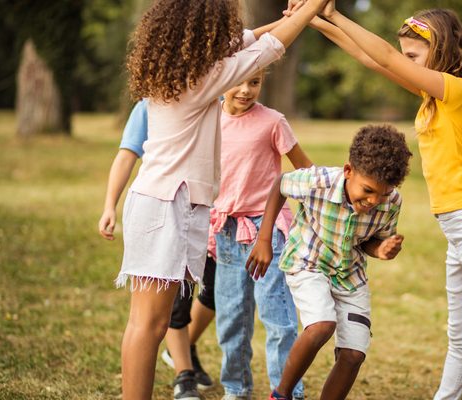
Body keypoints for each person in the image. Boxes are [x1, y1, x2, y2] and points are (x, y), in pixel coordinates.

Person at [307, 3, 462, 399]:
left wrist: (336, 15)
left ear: (439, 49)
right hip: (458, 226)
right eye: (405, 55)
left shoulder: (454, 90)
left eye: (413, 56)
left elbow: (385, 57)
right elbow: (370, 59)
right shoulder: (433, 94)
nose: (405, 61)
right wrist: (313, 19)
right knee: (459, 336)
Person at [116, 0, 329, 398]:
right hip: (167, 205)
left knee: (144, 323)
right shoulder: (204, 78)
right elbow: (270, 48)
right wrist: (313, 6)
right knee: (148, 325)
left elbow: (250, 39)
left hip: (156, 200)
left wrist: (290, 15)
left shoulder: (179, 69)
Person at [246, 125, 413, 400]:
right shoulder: (318, 181)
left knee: (354, 354)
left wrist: (381, 249)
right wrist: (264, 239)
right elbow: (281, 184)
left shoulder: (392, 202)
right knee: (322, 325)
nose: (373, 201)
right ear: (348, 171)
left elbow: (370, 241)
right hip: (308, 262)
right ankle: (281, 394)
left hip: (350, 276)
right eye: (368, 190)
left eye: (382, 194)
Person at [97, 99, 216, 399]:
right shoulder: (148, 106)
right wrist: (110, 204)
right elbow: (126, 155)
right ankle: (182, 369)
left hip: (196, 216)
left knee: (158, 318)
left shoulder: (211, 100)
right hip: (164, 212)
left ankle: (183, 358)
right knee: (153, 320)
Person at [210, 68, 313, 400]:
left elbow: (306, 171)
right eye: (238, 81)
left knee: (278, 319)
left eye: (254, 82)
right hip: (226, 229)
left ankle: (287, 392)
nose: (245, 90)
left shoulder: (273, 122)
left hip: (268, 229)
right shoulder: (208, 119)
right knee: (231, 318)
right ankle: (236, 389)